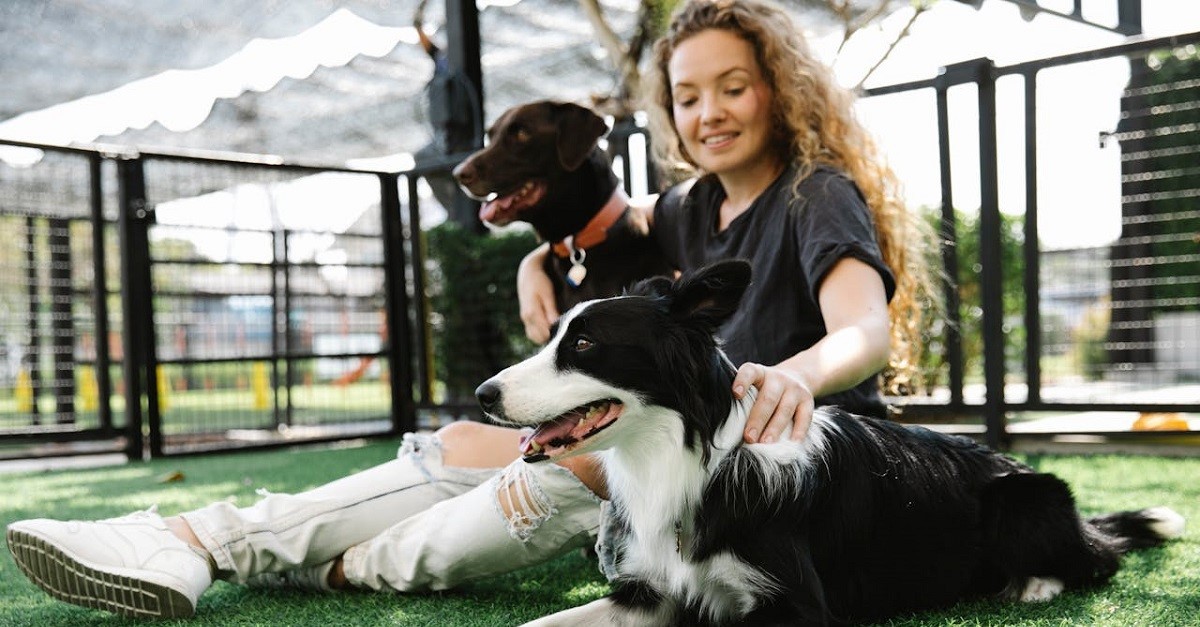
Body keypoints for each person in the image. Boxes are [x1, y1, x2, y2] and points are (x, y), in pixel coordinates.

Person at [5, 0, 932, 619]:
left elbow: (862, 328)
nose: (710, 112)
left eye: (734, 86)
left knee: (558, 470)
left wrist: (789, 378)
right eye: (688, 97)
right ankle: (200, 540)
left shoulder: (818, 194)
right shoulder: (692, 208)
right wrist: (541, 249)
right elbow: (622, 220)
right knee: (465, 442)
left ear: (782, 88)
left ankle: (233, 549)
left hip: (789, 462)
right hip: (680, 457)